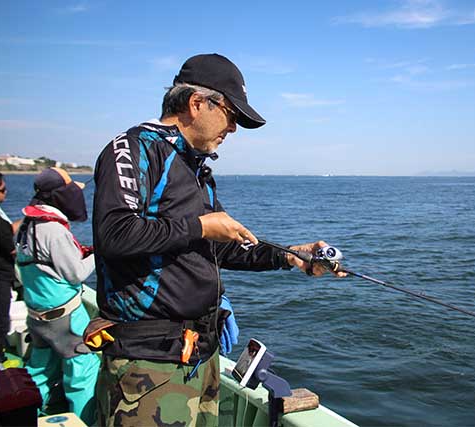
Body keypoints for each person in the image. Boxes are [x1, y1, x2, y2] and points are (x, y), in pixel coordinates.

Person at [91, 53, 344, 426]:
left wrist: (292, 255)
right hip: (150, 365)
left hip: (200, 358)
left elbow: (221, 247)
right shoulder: (135, 148)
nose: (234, 129)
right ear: (197, 103)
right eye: (231, 114)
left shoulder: (196, 169)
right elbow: (115, 234)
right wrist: (200, 226)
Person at [15, 167, 99, 425]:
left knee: (39, 371)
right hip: (66, 320)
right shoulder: (53, 229)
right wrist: (100, 252)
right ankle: (82, 421)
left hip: (38, 317)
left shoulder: (27, 225)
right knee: (82, 374)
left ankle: (24, 416)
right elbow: (76, 274)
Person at [0, 171, 15, 361]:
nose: (5, 193)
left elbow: (7, 230)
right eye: (2, 190)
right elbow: (11, 248)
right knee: (0, 323)